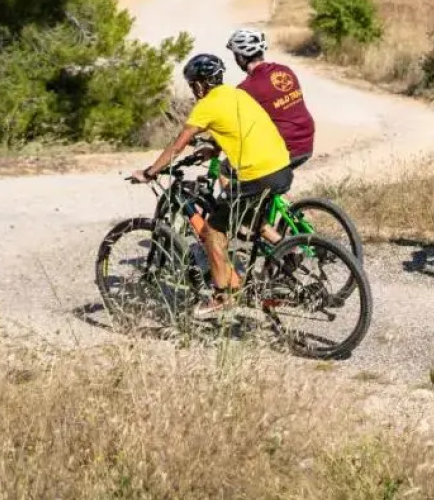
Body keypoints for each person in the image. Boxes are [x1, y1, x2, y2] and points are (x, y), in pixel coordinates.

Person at [130, 54, 294, 319]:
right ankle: (288, 250)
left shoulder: (206, 105)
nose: (194, 90)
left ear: (199, 84)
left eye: (193, 84)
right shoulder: (237, 95)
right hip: (282, 169)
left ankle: (222, 297)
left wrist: (150, 172)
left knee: (212, 232)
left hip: (258, 174)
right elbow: (243, 128)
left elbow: (178, 144)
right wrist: (216, 147)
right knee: (250, 219)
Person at [226, 29, 315, 171]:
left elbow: (233, 125)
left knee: (226, 168)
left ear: (241, 58)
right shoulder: (285, 70)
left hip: (285, 145)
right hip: (306, 140)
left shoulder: (246, 88)